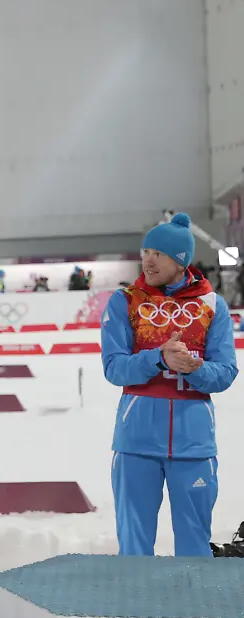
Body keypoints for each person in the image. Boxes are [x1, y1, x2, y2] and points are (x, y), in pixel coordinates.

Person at [101, 213, 237, 556]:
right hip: (136, 442)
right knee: (134, 546)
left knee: (194, 546)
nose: (148, 259)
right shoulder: (125, 302)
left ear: (181, 260)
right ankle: (131, 608)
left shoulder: (212, 306)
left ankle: (190, 610)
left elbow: (226, 372)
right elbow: (114, 368)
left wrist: (195, 368)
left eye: (158, 253)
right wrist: (158, 359)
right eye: (146, 251)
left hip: (194, 445)